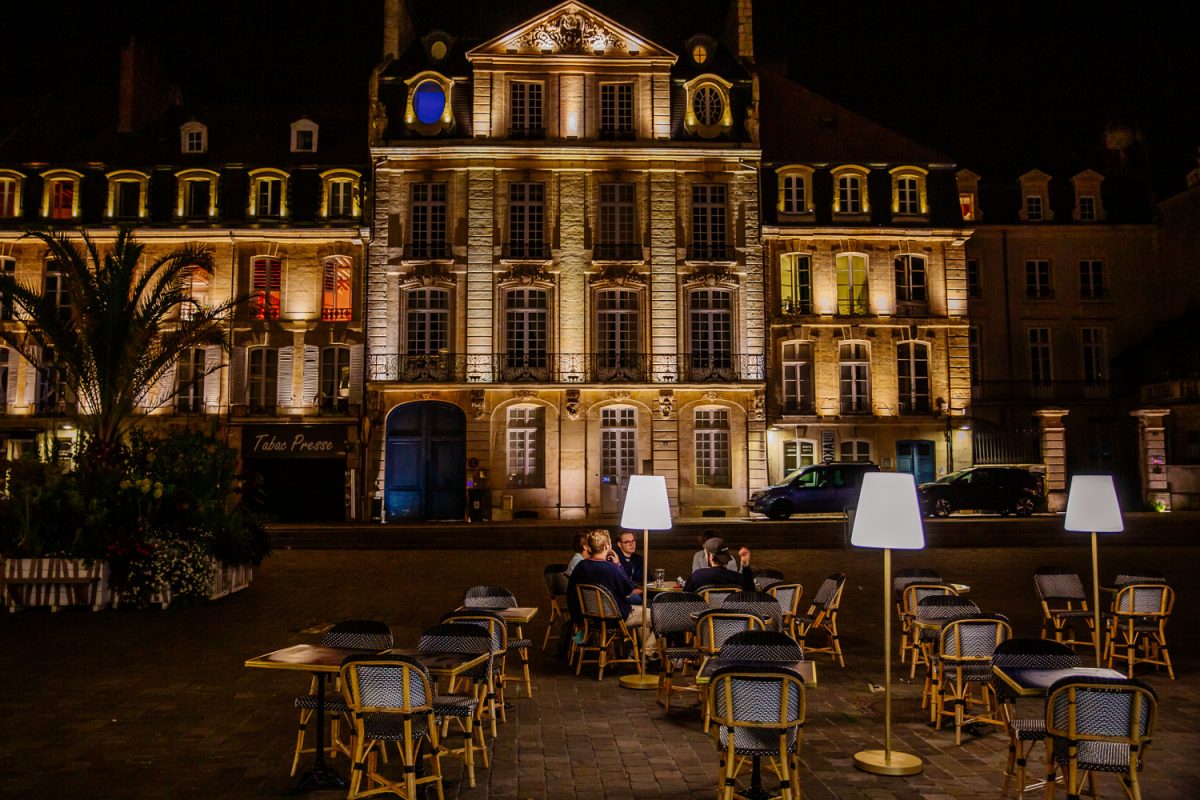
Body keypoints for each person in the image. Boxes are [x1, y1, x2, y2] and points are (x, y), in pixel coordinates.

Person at [567, 529, 655, 654]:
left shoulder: (581, 566)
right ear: (607, 546)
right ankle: (647, 652)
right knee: (660, 616)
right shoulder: (611, 568)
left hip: (590, 617)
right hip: (616, 616)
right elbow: (628, 588)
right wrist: (618, 564)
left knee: (644, 618)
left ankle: (645, 656)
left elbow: (571, 593)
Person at [684, 543, 755, 594]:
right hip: (731, 614)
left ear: (711, 558)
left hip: (704, 614)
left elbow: (686, 597)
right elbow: (751, 592)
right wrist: (746, 565)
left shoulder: (697, 575)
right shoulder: (737, 577)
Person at [613, 531, 645, 605]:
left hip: (639, 590)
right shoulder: (614, 558)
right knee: (637, 599)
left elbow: (648, 579)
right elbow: (616, 583)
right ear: (619, 544)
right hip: (621, 594)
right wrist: (630, 591)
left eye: (633, 541)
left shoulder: (638, 559)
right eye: (627, 542)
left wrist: (642, 589)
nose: (631, 544)